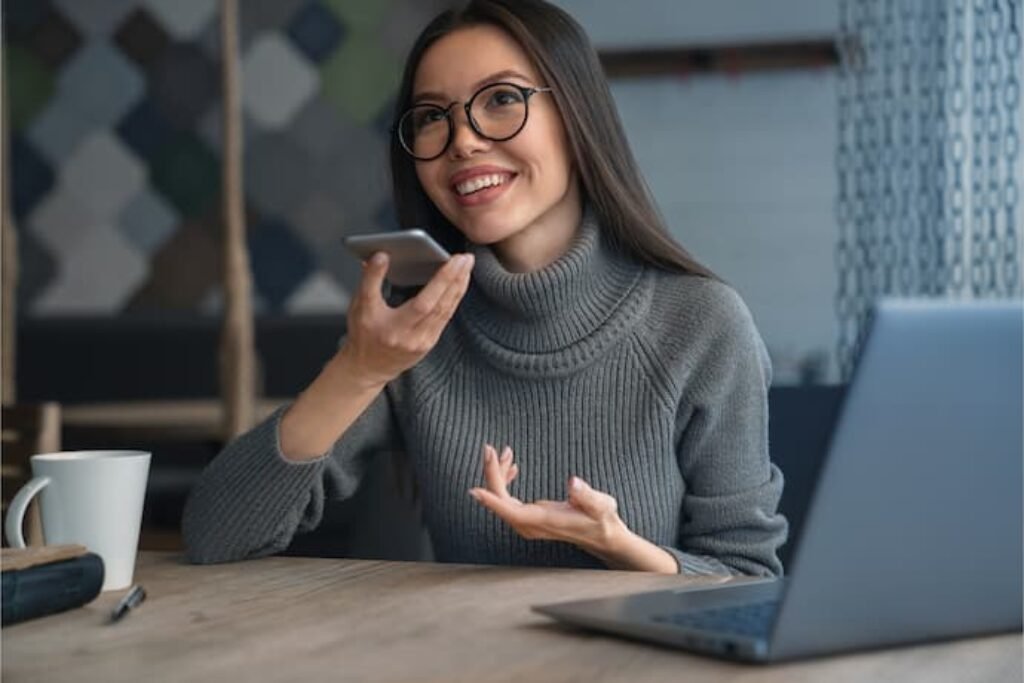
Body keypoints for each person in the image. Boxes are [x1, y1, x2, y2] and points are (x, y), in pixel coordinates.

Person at [183, 0, 787, 576]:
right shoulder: (414, 332)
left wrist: (620, 548)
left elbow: (747, 578)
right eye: (431, 117)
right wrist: (360, 369)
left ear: (578, 116)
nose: (464, 140)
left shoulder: (701, 324)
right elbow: (215, 536)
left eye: (500, 99)